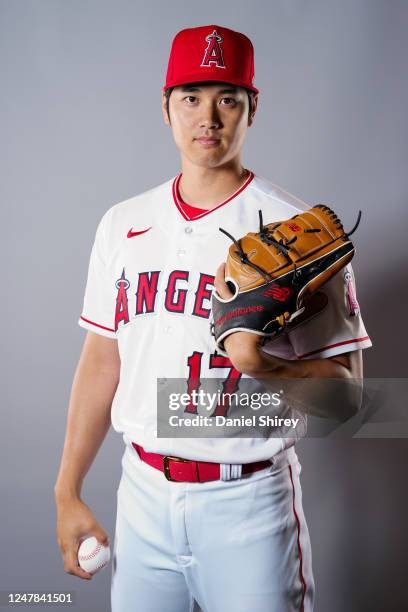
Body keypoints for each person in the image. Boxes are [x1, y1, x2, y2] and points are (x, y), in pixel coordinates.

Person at [54, 24, 372, 612]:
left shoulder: (297, 230)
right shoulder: (122, 224)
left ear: (253, 108)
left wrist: (263, 366)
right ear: (166, 107)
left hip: (249, 503)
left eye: (228, 98)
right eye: (191, 98)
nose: (209, 117)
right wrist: (66, 489)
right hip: (142, 495)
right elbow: (102, 360)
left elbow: (350, 402)